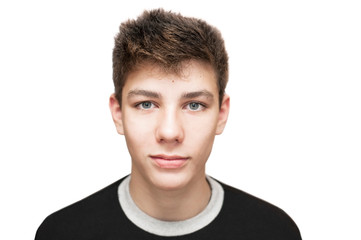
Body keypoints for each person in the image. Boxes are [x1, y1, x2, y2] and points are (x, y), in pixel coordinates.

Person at [35, 8, 301, 239]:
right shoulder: (61, 233)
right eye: (146, 104)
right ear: (118, 114)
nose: (170, 132)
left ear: (221, 114)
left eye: (194, 105)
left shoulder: (275, 232)